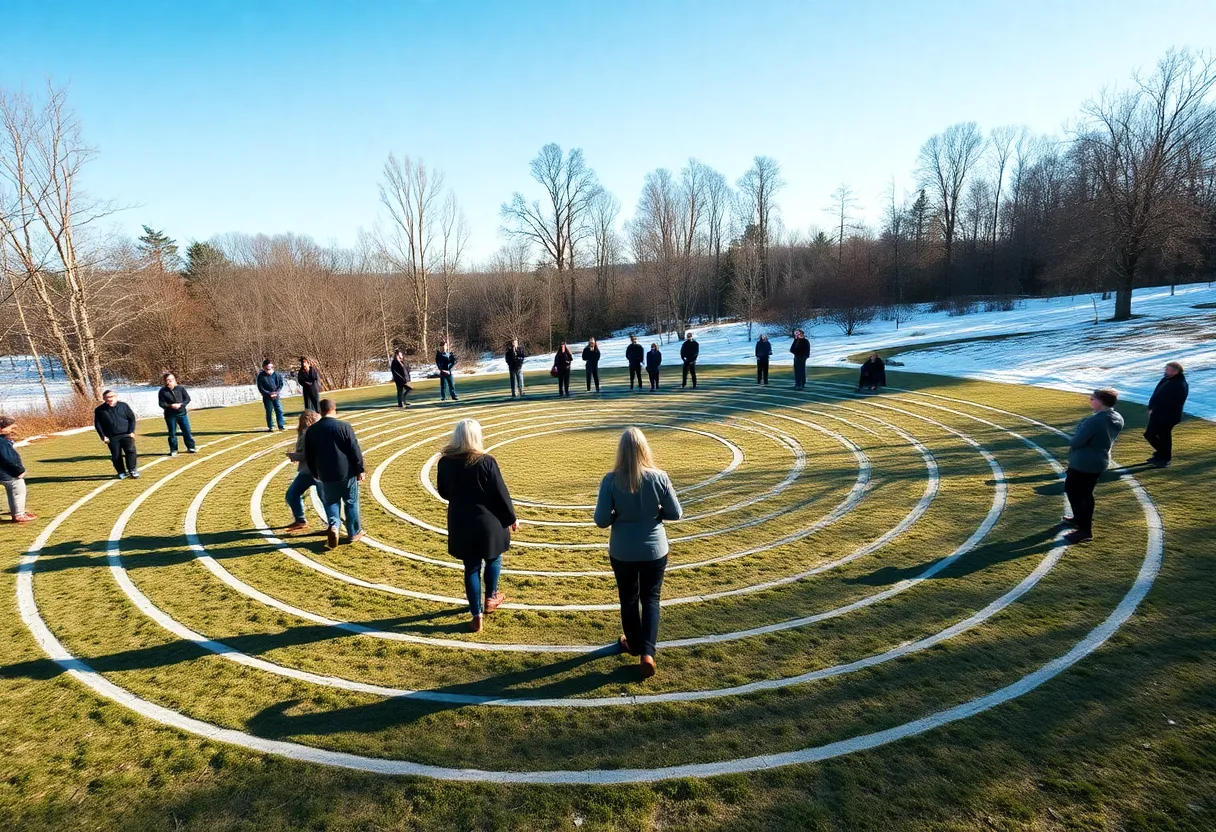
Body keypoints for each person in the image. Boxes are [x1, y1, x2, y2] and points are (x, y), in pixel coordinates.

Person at [594, 428, 683, 679]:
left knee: (628, 598)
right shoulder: (660, 477)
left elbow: (601, 520)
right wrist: (654, 515)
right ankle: (647, 653)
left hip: (623, 551)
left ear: (620, 451)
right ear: (644, 449)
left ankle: (633, 643)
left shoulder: (610, 480)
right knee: (651, 599)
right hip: (655, 549)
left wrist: (618, 516)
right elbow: (675, 513)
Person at [436, 419, 519, 633]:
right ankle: (491, 597)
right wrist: (511, 517)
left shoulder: (445, 462)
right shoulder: (486, 462)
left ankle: (476, 616)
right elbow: (500, 493)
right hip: (488, 522)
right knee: (493, 558)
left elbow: (444, 492)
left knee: (471, 567)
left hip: (461, 522)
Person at [1062, 388, 1124, 545]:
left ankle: (1084, 530)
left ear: (1101, 402)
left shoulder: (1094, 421)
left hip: (1084, 462)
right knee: (1085, 493)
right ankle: (1079, 519)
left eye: (1093, 398)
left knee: (1076, 493)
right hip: (1099, 460)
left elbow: (1077, 441)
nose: (1090, 400)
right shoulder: (1117, 417)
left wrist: (1075, 438)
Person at [303, 398, 366, 550]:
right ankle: (354, 532)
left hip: (325, 473)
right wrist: (360, 469)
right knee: (351, 501)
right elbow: (354, 450)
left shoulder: (312, 430)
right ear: (334, 410)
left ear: (320, 411)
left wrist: (314, 472)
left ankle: (334, 526)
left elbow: (309, 455)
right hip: (346, 472)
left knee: (331, 502)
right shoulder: (344, 426)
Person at [1144, 361, 1189, 468]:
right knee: (1160, 436)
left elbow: (1171, 402)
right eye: (1166, 369)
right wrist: (1152, 407)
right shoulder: (1167, 379)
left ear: (1176, 371)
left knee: (1155, 435)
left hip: (1167, 416)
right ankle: (1161, 455)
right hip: (1159, 414)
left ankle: (1164, 457)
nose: (1166, 371)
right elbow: (1157, 394)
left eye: (1169, 370)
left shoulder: (1179, 384)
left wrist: (1154, 409)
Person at [284, 410, 322, 532]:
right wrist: (296, 455)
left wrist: (295, 456)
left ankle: (334, 525)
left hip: (316, 471)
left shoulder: (308, 434)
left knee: (325, 499)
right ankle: (300, 520)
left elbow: (308, 454)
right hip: (307, 472)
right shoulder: (305, 433)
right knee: (292, 494)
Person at [94, 390, 140, 479]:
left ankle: (132, 470)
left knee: (130, 451)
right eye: (107, 397)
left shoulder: (124, 406)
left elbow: (132, 419)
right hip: (112, 436)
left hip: (126, 434)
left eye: (111, 397)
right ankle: (121, 472)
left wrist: (131, 431)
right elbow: (98, 425)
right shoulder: (99, 410)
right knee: (116, 455)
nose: (110, 399)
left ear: (116, 397)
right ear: (104, 398)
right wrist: (103, 436)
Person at [0, 416, 36, 523]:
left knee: (14, 491)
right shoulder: (1, 442)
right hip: (7, 473)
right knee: (18, 490)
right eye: (10, 427)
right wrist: (19, 470)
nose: (13, 429)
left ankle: (17, 512)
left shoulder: (4, 440)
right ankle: (19, 515)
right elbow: (6, 458)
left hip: (4, 472)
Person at [157, 372, 197, 457]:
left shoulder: (180, 388)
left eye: (170, 380)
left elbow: (187, 399)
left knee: (187, 431)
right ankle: (174, 449)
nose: (169, 382)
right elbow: (161, 403)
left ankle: (191, 447)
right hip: (170, 415)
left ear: (174, 380)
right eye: (167, 380)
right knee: (172, 433)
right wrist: (170, 405)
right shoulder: (162, 391)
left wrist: (181, 404)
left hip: (182, 414)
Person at [257, 360, 286, 431]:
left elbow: (280, 384)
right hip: (267, 397)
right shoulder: (261, 376)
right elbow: (260, 387)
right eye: (267, 368)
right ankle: (271, 426)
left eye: (269, 368)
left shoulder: (277, 375)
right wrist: (269, 394)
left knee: (279, 410)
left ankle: (281, 425)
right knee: (269, 411)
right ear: (264, 367)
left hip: (276, 395)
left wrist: (276, 392)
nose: (268, 370)